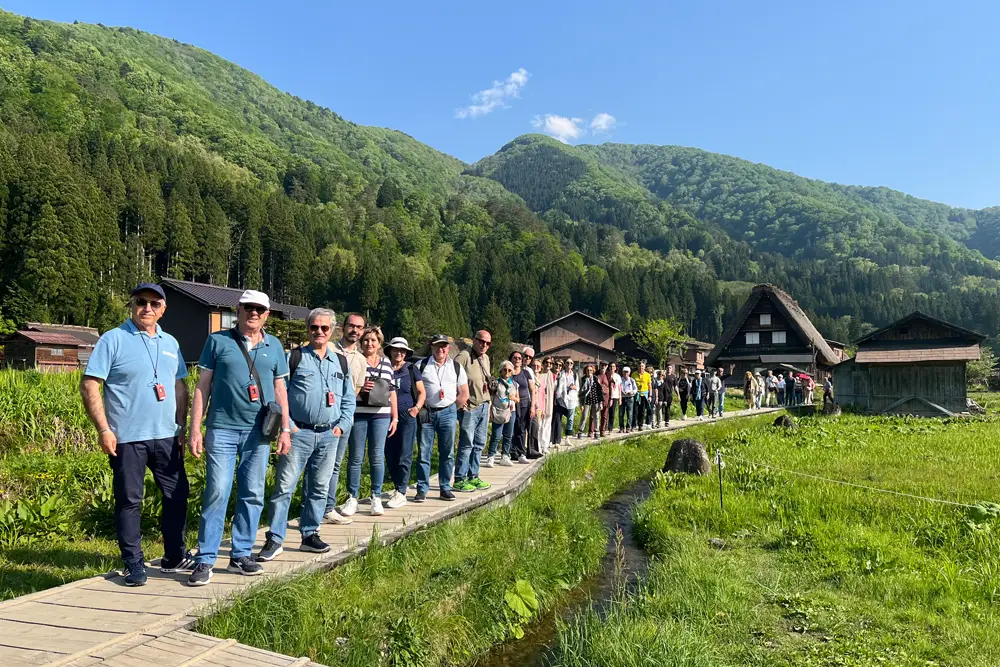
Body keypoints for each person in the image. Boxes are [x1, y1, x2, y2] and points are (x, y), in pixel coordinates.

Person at [80, 283, 192, 586]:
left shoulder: (171, 343)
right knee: (130, 500)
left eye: (155, 304)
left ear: (163, 309)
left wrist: (181, 428)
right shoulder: (113, 340)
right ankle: (133, 563)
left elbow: (180, 387)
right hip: (127, 437)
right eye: (141, 302)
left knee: (177, 494)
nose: (147, 308)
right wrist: (104, 428)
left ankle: (174, 555)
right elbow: (90, 384)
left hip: (167, 436)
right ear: (132, 305)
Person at [187, 290, 291, 586]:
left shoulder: (275, 346)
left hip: (259, 431)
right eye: (248, 308)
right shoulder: (217, 340)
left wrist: (285, 429)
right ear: (239, 310)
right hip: (221, 428)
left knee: (253, 493)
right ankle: (205, 558)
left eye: (259, 309)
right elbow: (202, 386)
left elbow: (280, 390)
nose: (253, 313)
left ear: (267, 315)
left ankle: (240, 554)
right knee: (217, 490)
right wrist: (195, 428)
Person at [257, 308, 356, 563]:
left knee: (320, 488)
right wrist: (289, 426)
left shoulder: (340, 361)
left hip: (329, 434)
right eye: (314, 327)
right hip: (299, 433)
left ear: (332, 330)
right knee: (284, 487)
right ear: (308, 329)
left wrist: (342, 425)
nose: (319, 332)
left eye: (324, 328)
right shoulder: (295, 358)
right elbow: (279, 394)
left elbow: (348, 397)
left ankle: (310, 533)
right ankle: (276, 538)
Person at [339, 327, 397, 516]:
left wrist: (395, 416)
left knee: (377, 456)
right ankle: (352, 497)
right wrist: (361, 387)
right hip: (359, 412)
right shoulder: (355, 360)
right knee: (355, 457)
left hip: (381, 414)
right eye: (365, 340)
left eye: (373, 340)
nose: (369, 344)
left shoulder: (387, 363)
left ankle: (376, 497)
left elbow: (392, 391)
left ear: (379, 343)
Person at [324, 313, 367, 524]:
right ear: (343, 327)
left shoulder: (361, 359)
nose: (355, 330)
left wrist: (345, 415)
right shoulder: (329, 348)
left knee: (335, 464)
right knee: (314, 463)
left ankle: (328, 508)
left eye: (359, 327)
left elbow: (356, 391)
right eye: (352, 326)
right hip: (322, 415)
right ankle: (308, 506)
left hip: (344, 418)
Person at [415, 334, 469, 500]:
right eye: (437, 346)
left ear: (448, 348)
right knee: (424, 452)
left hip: (448, 412)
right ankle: (422, 489)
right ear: (432, 347)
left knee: (447, 453)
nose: (441, 349)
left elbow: (464, 394)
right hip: (427, 413)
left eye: (444, 346)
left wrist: (452, 408)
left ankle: (445, 487)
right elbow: (414, 390)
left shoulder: (456, 367)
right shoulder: (421, 365)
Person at [385, 337, 425, 507]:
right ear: (390, 351)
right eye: (396, 350)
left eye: (402, 351)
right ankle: (396, 485)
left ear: (406, 353)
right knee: (389, 453)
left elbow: (422, 392)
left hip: (407, 417)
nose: (399, 353)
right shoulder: (385, 368)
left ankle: (401, 491)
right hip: (386, 416)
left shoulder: (411, 369)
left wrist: (416, 408)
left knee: (405, 453)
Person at [454, 330, 493, 492]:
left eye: (488, 343)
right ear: (474, 341)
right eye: (481, 341)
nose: (484, 345)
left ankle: (473, 475)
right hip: (469, 407)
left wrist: (489, 404)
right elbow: (452, 376)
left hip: (484, 404)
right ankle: (460, 478)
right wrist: (459, 399)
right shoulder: (464, 356)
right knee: (466, 443)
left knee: (479, 444)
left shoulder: (486, 358)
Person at [486, 360, 518, 467]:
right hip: (499, 411)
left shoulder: (514, 384)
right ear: (501, 370)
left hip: (511, 412)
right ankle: (491, 456)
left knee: (508, 435)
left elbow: (518, 399)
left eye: (510, 370)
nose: (507, 372)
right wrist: (490, 411)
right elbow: (491, 398)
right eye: (505, 369)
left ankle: (505, 455)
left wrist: (513, 398)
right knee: (496, 435)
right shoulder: (496, 383)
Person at [510, 350, 533, 463]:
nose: (517, 359)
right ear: (511, 359)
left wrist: (532, 406)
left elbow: (532, 390)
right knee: (511, 428)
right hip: (510, 404)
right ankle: (512, 451)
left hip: (524, 403)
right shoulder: (507, 372)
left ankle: (521, 452)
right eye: (515, 357)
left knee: (521, 428)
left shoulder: (526, 373)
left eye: (519, 358)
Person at [535, 357, 556, 455]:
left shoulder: (552, 375)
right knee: (540, 425)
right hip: (541, 403)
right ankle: (538, 445)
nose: (548, 364)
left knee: (547, 425)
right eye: (546, 362)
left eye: (550, 363)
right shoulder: (541, 375)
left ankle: (545, 445)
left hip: (550, 403)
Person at [554, 358, 579, 440]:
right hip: (562, 399)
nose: (569, 364)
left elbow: (578, 387)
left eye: (571, 363)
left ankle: (568, 437)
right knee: (559, 418)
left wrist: (574, 387)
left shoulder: (575, 375)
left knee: (570, 419)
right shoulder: (561, 374)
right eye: (567, 363)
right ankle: (557, 437)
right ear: (564, 364)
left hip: (572, 399)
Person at [579, 364, 603, 438]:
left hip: (595, 399)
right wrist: (581, 403)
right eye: (588, 370)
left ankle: (596, 431)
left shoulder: (596, 378)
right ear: (585, 371)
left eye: (590, 370)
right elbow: (581, 392)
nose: (589, 372)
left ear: (593, 371)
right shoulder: (583, 379)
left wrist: (600, 402)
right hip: (586, 400)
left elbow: (599, 391)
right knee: (584, 416)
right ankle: (580, 431)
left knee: (596, 416)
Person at [634, 361, 652, 431]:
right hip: (636, 394)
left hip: (644, 394)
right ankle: (634, 424)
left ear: (644, 367)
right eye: (640, 366)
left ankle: (640, 425)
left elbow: (649, 386)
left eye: (642, 366)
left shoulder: (647, 375)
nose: (641, 367)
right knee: (635, 410)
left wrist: (650, 396)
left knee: (642, 410)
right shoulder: (634, 374)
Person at [620, 367, 637, 432]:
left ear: (629, 373)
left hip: (630, 398)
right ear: (622, 372)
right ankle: (621, 427)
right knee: (621, 414)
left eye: (627, 372)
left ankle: (628, 427)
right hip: (622, 398)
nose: (625, 373)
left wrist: (631, 392)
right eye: (624, 372)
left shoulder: (632, 380)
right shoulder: (620, 379)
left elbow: (635, 389)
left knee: (629, 413)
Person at [598, 362, 613, 436]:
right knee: (595, 415)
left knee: (604, 415)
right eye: (602, 365)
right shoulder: (596, 374)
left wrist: (611, 398)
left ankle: (602, 431)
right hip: (597, 396)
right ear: (599, 366)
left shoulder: (609, 375)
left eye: (605, 365)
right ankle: (592, 431)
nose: (603, 367)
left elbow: (611, 387)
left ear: (607, 366)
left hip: (606, 396)